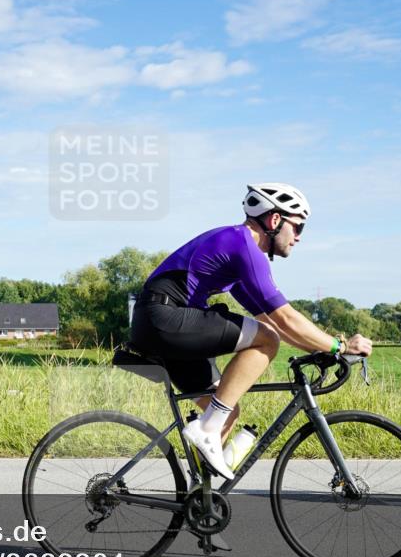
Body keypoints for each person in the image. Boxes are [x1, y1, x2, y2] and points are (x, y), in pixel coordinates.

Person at [130, 183, 373, 479]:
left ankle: (199, 498)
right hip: (164, 317)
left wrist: (320, 349)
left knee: (226, 411)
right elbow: (282, 323)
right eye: (298, 227)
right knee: (265, 341)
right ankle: (206, 430)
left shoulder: (236, 255)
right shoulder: (244, 246)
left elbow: (278, 322)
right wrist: (340, 346)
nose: (298, 237)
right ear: (274, 221)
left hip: (158, 323)